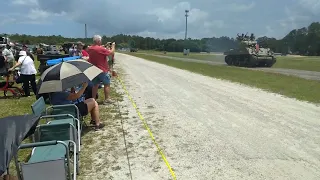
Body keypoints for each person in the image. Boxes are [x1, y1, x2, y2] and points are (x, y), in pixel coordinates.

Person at [87, 35, 116, 105]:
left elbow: (98, 49)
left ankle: (93, 99)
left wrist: (105, 45)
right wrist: (113, 46)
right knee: (107, 84)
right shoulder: (100, 49)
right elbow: (111, 52)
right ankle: (107, 99)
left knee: (95, 85)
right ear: (98, 41)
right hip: (102, 69)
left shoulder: (90, 48)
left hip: (94, 69)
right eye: (100, 40)